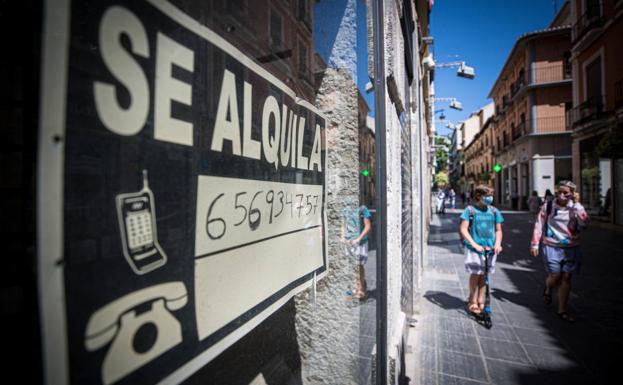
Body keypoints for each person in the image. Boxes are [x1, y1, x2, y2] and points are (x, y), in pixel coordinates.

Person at [530, 180, 589, 322]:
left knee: (567, 277)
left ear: (573, 194)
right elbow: (539, 224)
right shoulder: (549, 206)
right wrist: (534, 244)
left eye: (566, 193)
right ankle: (548, 288)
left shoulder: (575, 207)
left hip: (571, 247)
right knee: (555, 275)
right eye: (559, 192)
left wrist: (577, 205)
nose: (562, 195)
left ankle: (562, 309)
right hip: (551, 246)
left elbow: (585, 223)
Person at [459, 185, 504, 315]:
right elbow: (463, 229)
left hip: (490, 249)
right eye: (487, 196)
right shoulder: (470, 210)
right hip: (474, 248)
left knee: (484, 275)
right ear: (479, 196)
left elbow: (498, 230)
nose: (490, 198)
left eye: (491, 195)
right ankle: (472, 299)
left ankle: (481, 299)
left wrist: (498, 244)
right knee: (475, 274)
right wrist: (474, 244)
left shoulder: (494, 211)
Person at [341, 204, 372, 299]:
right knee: (351, 265)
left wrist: (359, 238)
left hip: (360, 242)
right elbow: (343, 225)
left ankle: (361, 288)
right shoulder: (345, 209)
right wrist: (342, 237)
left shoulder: (363, 209)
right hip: (349, 242)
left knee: (359, 265)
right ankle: (356, 286)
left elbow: (368, 226)